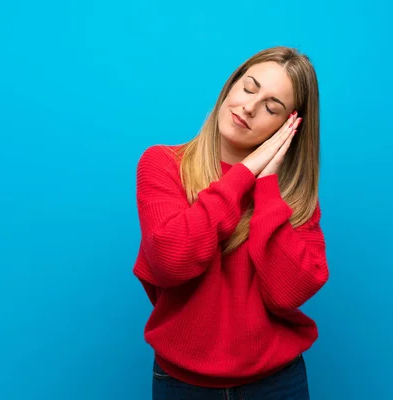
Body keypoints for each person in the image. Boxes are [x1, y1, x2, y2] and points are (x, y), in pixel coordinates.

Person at [133, 46, 329, 399]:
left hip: (278, 383)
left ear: (289, 125)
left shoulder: (293, 196)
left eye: (271, 107)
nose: (249, 108)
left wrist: (267, 187)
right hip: (182, 384)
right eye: (249, 87)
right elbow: (170, 259)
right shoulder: (162, 164)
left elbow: (289, 292)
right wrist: (246, 173)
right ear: (230, 86)